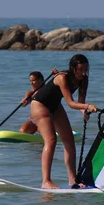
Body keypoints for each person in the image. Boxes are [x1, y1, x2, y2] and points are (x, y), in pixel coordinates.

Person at [31, 54, 98, 189]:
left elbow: (80, 103)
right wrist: (87, 106)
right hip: (40, 105)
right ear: (73, 68)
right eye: (80, 69)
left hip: (55, 105)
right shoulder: (62, 78)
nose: (83, 72)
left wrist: (84, 111)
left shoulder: (84, 79)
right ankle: (46, 182)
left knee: (69, 141)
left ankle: (72, 180)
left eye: (86, 69)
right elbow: (71, 103)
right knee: (51, 140)